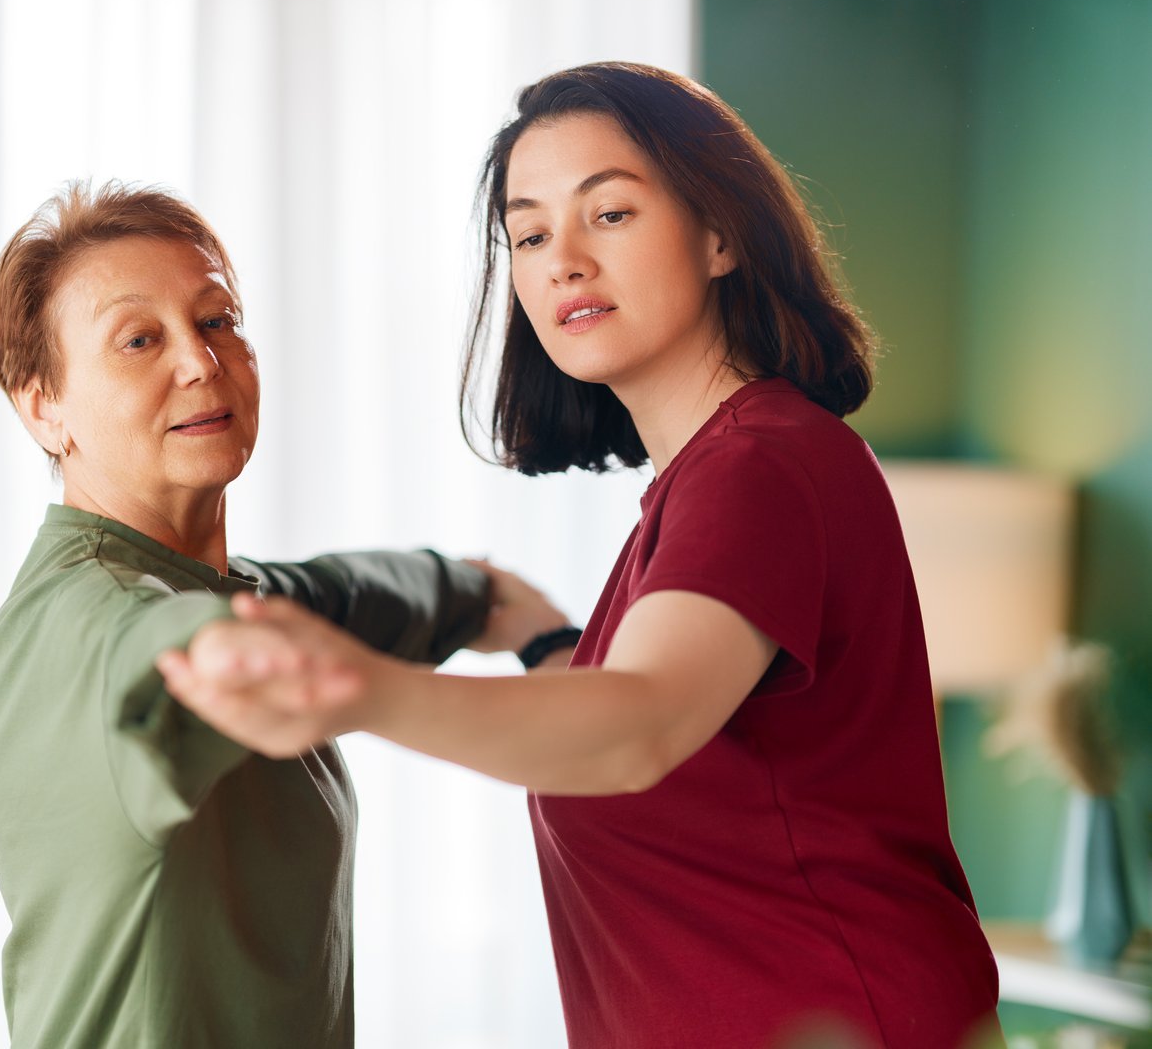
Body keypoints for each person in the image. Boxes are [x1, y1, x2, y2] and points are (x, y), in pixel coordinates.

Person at [158, 63, 1003, 1049]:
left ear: (721, 233)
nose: (560, 259)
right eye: (527, 233)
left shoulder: (761, 467)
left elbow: (637, 728)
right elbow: (682, 734)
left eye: (608, 214)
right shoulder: (704, 484)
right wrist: (540, 634)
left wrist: (355, 692)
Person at [0, 181, 566, 1049]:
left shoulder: (227, 591)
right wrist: (229, 658)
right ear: (43, 406)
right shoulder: (76, 622)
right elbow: (161, 648)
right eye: (140, 339)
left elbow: (374, 592)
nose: (200, 362)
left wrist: (516, 617)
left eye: (217, 320)